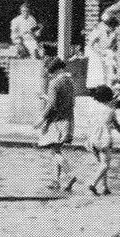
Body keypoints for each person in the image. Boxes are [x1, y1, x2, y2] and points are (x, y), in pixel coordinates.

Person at [38, 57, 77, 191]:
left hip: (56, 121)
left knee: (55, 151)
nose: (49, 74)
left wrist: (42, 119)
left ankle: (70, 174)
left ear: (53, 70)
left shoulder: (54, 83)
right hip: (68, 119)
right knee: (57, 149)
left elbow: (52, 106)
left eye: (50, 71)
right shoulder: (70, 81)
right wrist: (46, 97)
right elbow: (68, 102)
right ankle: (56, 181)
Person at [85, 86, 120, 196]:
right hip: (103, 139)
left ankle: (105, 187)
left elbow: (89, 123)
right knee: (105, 165)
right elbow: (116, 125)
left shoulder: (92, 108)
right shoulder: (110, 110)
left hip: (92, 138)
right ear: (109, 97)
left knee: (101, 164)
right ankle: (92, 184)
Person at [85, 17, 118, 94]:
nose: (113, 29)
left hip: (106, 54)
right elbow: (90, 44)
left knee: (109, 72)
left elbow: (112, 45)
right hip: (96, 54)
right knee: (98, 74)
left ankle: (107, 90)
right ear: (108, 26)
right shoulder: (99, 30)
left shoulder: (113, 33)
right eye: (112, 27)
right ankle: (97, 91)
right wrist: (100, 52)